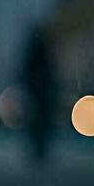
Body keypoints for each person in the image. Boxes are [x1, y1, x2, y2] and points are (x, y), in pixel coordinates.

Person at [20, 25, 58, 161]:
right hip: (41, 93)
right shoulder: (44, 55)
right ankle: (40, 150)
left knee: (38, 121)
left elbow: (25, 71)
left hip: (38, 93)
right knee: (41, 121)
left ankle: (38, 149)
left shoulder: (34, 54)